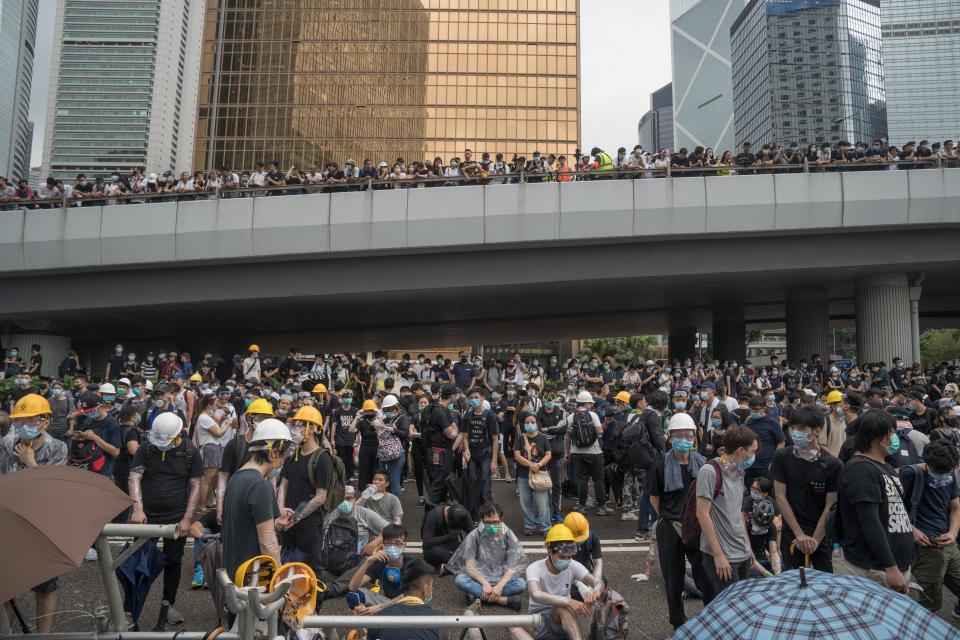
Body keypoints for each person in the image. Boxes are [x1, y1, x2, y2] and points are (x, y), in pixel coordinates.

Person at [0, 394, 68, 633]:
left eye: (30, 421)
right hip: (9, 524)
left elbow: (54, 490)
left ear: (45, 421)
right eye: (20, 421)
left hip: (42, 528)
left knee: (45, 588)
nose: (23, 427)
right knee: (6, 590)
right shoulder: (6, 444)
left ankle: (43, 636)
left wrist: (32, 465)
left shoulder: (58, 448)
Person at [128, 412, 202, 625]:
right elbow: (135, 477)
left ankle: (168, 604)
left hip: (176, 517)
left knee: (173, 561)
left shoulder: (189, 451)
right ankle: (129, 607)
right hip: (146, 516)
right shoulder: (147, 448)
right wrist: (137, 509)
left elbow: (196, 485)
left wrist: (187, 518)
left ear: (179, 433)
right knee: (138, 560)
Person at [835, 411, 914, 593]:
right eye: (891, 433)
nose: (895, 438)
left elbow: (892, 510)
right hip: (875, 569)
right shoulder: (860, 470)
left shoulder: (886, 467)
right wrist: (890, 567)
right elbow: (869, 521)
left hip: (895, 564)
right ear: (877, 438)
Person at [649, 412, 714, 629]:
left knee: (705, 577)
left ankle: (712, 621)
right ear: (669, 437)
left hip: (697, 526)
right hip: (670, 527)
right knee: (673, 580)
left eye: (687, 435)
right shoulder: (660, 464)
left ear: (694, 437)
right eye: (678, 435)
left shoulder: (703, 463)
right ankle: (678, 622)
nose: (683, 439)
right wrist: (669, 516)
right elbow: (654, 497)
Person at [771, 407, 842, 572]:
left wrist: (815, 540)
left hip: (822, 533)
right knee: (795, 582)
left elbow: (830, 505)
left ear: (817, 431)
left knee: (824, 583)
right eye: (792, 428)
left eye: (801, 428)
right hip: (792, 531)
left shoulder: (832, 464)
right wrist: (799, 535)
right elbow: (780, 496)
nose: (795, 432)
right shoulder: (782, 457)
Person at [221, 418, 291, 582]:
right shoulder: (260, 486)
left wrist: (276, 521)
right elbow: (268, 543)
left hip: (235, 573)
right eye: (282, 458)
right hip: (254, 578)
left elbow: (245, 521)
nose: (280, 464)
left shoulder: (236, 478)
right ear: (274, 453)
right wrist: (279, 580)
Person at [508, 524, 604, 640]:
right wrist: (569, 601)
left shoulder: (573, 565)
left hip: (562, 619)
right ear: (549, 550)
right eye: (562, 557)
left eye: (569, 557)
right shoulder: (535, 568)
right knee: (511, 624)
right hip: (539, 619)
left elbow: (598, 582)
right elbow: (536, 594)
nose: (567, 561)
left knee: (560, 607)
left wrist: (597, 592)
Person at [696, 426, 758, 599]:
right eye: (752, 452)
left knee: (741, 605)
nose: (754, 456)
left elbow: (738, 512)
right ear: (740, 451)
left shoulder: (739, 472)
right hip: (723, 555)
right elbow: (702, 514)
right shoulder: (709, 471)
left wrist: (748, 547)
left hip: (741, 552)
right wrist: (718, 554)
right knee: (728, 609)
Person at [277, 405, 331, 572]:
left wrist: (294, 518)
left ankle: (315, 599)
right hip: (288, 524)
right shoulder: (293, 456)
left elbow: (320, 496)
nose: (295, 429)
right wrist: (281, 513)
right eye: (295, 425)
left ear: (313, 428)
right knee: (287, 567)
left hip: (309, 526)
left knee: (309, 571)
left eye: (300, 425)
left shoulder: (322, 459)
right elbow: (283, 486)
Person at [448, 502, 526, 609]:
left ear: (502, 520)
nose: (491, 526)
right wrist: (485, 583)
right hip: (479, 579)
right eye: (488, 523)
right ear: (482, 521)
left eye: (495, 522)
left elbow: (511, 569)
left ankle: (478, 596)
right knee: (460, 580)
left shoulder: (509, 536)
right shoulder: (475, 536)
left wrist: (499, 586)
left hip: (500, 578)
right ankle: (502, 600)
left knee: (521, 584)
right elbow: (470, 567)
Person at [320, 485, 388, 596]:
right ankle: (343, 582)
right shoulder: (330, 515)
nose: (345, 502)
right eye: (342, 499)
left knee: (370, 561)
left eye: (348, 498)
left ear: (354, 499)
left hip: (357, 560)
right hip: (333, 562)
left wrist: (374, 543)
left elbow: (389, 529)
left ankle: (332, 589)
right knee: (314, 573)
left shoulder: (364, 513)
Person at [368, 559, 444, 640]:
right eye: (431, 585)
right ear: (426, 589)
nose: (432, 588)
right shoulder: (442, 620)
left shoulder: (378, 618)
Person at [347, 523, 415, 610]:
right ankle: (368, 618)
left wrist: (379, 607)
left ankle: (375, 618)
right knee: (353, 596)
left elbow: (410, 596)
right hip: (389, 603)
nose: (392, 546)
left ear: (404, 545)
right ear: (383, 545)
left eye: (397, 543)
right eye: (388, 543)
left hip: (409, 606)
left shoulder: (412, 564)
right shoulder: (380, 562)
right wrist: (368, 561)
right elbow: (353, 587)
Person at [565, 391, 610, 516]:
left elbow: (567, 437)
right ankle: (602, 507)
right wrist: (604, 425)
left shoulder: (570, 417)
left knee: (582, 479)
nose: (591, 405)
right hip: (594, 452)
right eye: (590, 403)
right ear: (587, 403)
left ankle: (582, 505)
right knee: (598, 479)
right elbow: (600, 433)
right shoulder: (593, 415)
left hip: (577, 453)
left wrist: (567, 453)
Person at [460, 387, 499, 519]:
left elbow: (495, 440)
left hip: (486, 455)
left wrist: (494, 461)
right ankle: (475, 515)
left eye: (476, 397)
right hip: (472, 455)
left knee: (485, 487)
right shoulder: (468, 416)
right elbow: (465, 436)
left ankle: (490, 515)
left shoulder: (490, 415)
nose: (474, 400)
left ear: (482, 398)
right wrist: (466, 450)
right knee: (472, 483)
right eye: (471, 398)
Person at [515, 413, 552, 535]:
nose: (529, 424)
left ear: (536, 423)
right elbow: (517, 455)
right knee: (525, 503)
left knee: (542, 503)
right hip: (523, 475)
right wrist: (530, 464)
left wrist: (539, 464)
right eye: (527, 422)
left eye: (532, 422)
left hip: (540, 474)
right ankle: (529, 525)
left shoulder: (543, 438)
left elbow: (548, 454)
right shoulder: (520, 438)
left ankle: (546, 527)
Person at [742, 395, 785, 487]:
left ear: (764, 408)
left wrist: (774, 462)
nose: (753, 411)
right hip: (749, 465)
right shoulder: (748, 421)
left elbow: (781, 442)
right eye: (751, 409)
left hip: (766, 466)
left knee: (764, 493)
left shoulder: (772, 422)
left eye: (756, 409)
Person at [421, 502, 472, 570]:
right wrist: (448, 537)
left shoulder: (463, 514)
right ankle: (461, 564)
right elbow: (426, 542)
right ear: (446, 514)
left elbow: (473, 535)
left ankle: (452, 566)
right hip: (436, 547)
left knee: (472, 548)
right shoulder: (434, 515)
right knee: (436, 552)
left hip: (453, 546)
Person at [563, 512, 603, 587]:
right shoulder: (559, 542)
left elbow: (597, 561)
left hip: (586, 573)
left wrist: (596, 581)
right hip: (567, 576)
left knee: (603, 581)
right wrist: (578, 584)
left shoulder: (591, 537)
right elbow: (558, 569)